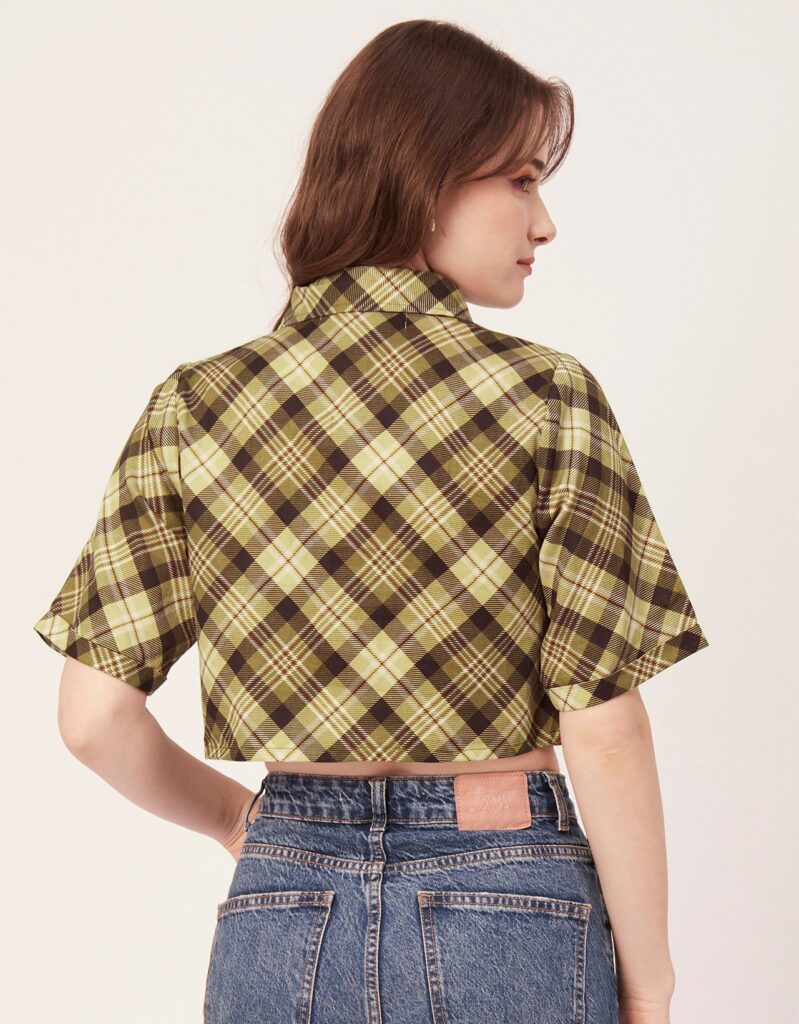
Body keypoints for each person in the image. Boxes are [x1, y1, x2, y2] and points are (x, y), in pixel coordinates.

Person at [33, 18, 709, 1024]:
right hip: (507, 894)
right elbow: (604, 730)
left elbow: (91, 719)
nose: (544, 222)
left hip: (282, 899)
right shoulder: (546, 398)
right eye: (521, 179)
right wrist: (648, 982)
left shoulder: (197, 405)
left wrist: (238, 820)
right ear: (425, 177)